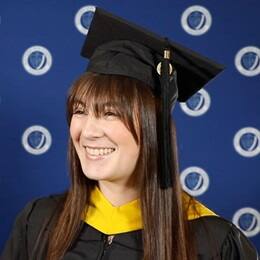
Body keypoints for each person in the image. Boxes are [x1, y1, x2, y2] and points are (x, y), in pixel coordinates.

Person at [1, 7, 258, 260]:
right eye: (80, 111)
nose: (87, 131)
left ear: (154, 127)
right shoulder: (38, 222)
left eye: (110, 113)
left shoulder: (212, 242)